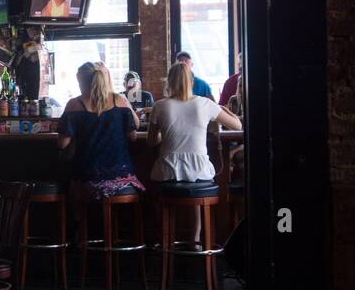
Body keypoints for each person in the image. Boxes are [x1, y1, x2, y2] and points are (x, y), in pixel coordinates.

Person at [148, 62, 242, 242]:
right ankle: (196, 240)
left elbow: (152, 142)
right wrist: (222, 108)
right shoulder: (205, 103)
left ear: (169, 82)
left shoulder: (159, 106)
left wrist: (165, 133)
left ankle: (166, 240)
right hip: (198, 170)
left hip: (167, 170)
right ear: (191, 81)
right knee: (196, 187)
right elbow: (237, 125)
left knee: (165, 193)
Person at [56, 62, 145, 201]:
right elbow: (133, 134)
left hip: (86, 175)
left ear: (82, 82)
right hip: (121, 175)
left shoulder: (74, 104)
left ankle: (82, 221)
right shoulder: (119, 100)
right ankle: (117, 222)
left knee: (70, 181)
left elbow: (62, 143)